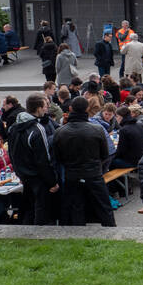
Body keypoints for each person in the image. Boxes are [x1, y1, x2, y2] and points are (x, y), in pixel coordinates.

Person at [52, 96, 114, 226]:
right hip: (93, 173)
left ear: (70, 108)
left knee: (75, 207)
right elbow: (105, 154)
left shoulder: (60, 132)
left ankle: (77, 234)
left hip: (72, 174)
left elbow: (57, 157)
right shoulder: (97, 129)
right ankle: (110, 230)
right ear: (87, 109)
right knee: (104, 207)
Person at [6, 93, 59, 225]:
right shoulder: (37, 129)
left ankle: (27, 232)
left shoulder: (13, 127)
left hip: (24, 175)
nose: (47, 109)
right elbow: (44, 159)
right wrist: (52, 181)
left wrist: (19, 172)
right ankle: (39, 235)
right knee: (41, 208)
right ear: (39, 108)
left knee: (29, 206)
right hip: (38, 176)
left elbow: (11, 153)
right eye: (45, 106)